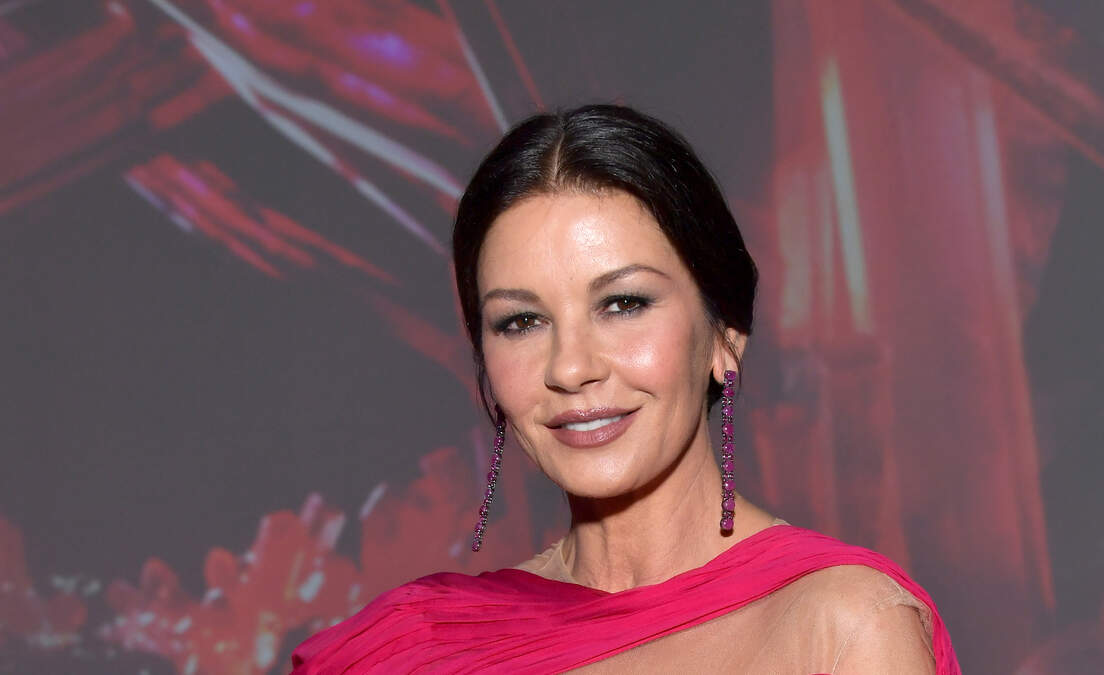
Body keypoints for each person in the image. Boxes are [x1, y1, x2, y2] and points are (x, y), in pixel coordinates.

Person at [291, 105, 959, 673]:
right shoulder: (413, 646)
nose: (570, 367)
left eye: (623, 304)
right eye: (521, 321)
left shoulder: (842, 627)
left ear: (725, 335)